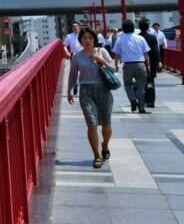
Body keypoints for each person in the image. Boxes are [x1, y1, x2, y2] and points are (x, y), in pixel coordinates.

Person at [66, 26, 116, 169]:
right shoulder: (77, 56)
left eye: (90, 38)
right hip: (86, 91)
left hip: (104, 90)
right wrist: (69, 90)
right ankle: (96, 156)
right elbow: (72, 75)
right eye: (84, 38)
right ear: (80, 40)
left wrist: (103, 61)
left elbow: (113, 71)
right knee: (92, 124)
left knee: (106, 125)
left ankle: (105, 145)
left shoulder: (103, 52)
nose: (87, 40)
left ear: (94, 39)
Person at [111, 20, 151, 113]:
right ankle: (141, 108)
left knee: (128, 84)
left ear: (123, 28)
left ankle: (132, 99)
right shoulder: (140, 38)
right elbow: (146, 54)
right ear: (133, 27)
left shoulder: (120, 39)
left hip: (128, 65)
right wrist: (148, 66)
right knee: (141, 86)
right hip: (140, 64)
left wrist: (116, 65)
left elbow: (116, 54)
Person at [138, 18, 162, 108]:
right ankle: (151, 101)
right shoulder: (152, 37)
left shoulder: (137, 37)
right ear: (148, 27)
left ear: (139, 27)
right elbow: (156, 50)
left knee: (139, 82)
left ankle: (142, 100)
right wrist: (159, 61)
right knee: (151, 81)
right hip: (151, 62)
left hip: (139, 61)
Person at [63, 21, 83, 94]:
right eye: (74, 27)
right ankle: (75, 85)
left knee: (83, 71)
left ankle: (83, 86)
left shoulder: (83, 35)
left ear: (79, 28)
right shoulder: (69, 36)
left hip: (83, 56)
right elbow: (64, 46)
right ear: (72, 28)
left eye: (76, 26)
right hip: (73, 56)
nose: (75, 28)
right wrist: (67, 52)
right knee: (75, 73)